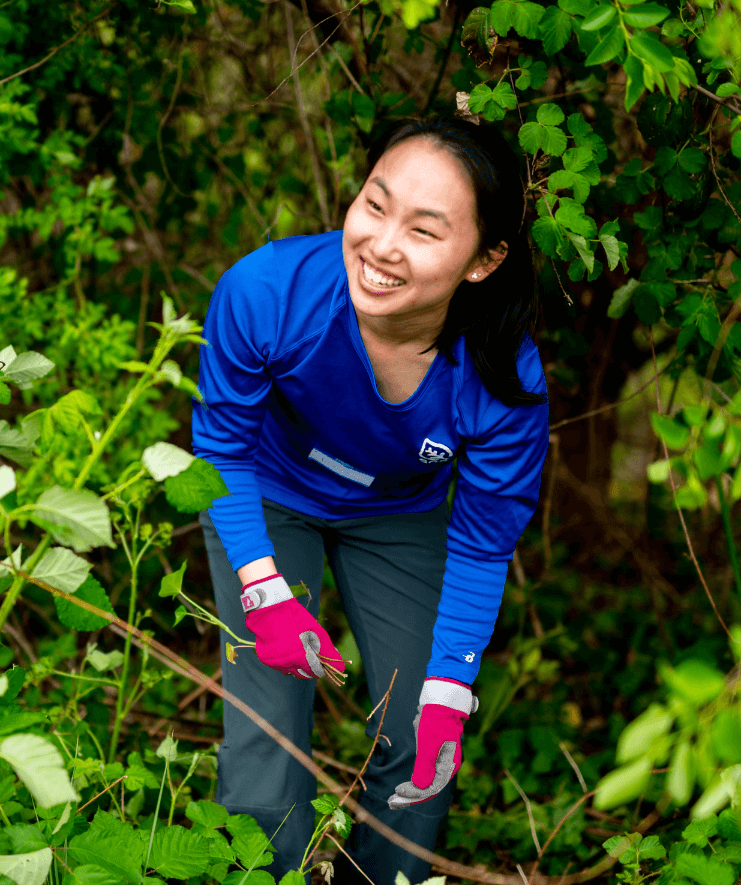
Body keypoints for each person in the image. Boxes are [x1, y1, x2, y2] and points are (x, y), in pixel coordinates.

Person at [192, 115, 550, 883]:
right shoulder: (269, 292)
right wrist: (264, 591)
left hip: (397, 510)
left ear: (484, 261)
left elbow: (484, 542)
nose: (383, 246)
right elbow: (220, 450)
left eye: (424, 231)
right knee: (268, 737)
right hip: (268, 489)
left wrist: (451, 687)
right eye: (374, 205)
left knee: (427, 737)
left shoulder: (502, 383)